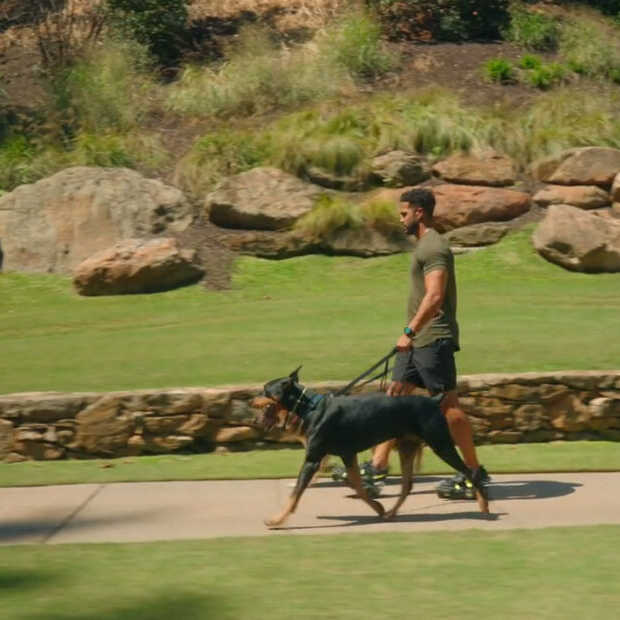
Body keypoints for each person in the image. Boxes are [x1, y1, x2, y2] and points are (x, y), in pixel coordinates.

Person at [361, 187, 489, 499]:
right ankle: (377, 467)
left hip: (433, 338)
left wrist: (410, 330)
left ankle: (473, 473)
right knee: (394, 398)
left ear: (419, 212)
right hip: (418, 340)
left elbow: (435, 296)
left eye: (403, 213)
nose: (400, 218)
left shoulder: (434, 247)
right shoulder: (423, 247)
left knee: (448, 407)